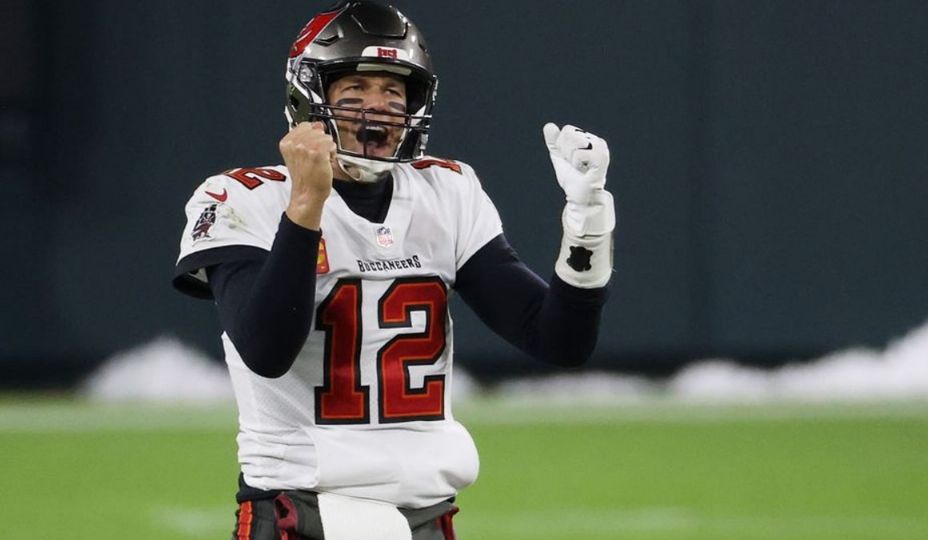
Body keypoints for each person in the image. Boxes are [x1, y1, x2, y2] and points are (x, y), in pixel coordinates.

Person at [173, 1, 615, 539]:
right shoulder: (244, 198)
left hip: (425, 510)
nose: (376, 109)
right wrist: (307, 204)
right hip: (304, 506)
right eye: (354, 92)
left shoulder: (446, 191)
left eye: (393, 92)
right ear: (311, 99)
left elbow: (557, 340)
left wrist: (586, 228)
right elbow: (265, 351)